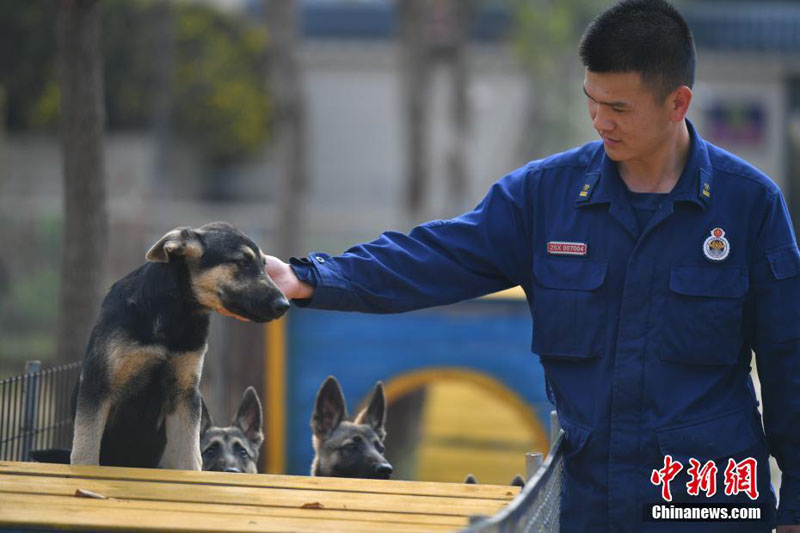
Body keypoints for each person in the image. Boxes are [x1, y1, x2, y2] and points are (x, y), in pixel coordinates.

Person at [265, 1, 800, 531]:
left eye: (618, 107)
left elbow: (789, 363)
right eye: (591, 100)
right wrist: (310, 278)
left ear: (677, 102)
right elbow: (437, 255)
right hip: (589, 502)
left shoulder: (749, 206)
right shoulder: (547, 197)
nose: (599, 120)